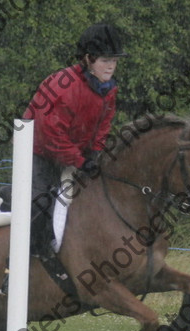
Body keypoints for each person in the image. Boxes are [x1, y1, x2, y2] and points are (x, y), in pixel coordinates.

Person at [21, 22, 128, 260]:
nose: (111, 66)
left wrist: (94, 155)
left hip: (73, 155)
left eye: (114, 60)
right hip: (39, 153)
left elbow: (103, 126)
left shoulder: (108, 88)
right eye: (105, 60)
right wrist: (80, 161)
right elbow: (52, 136)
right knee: (42, 205)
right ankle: (21, 263)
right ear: (88, 59)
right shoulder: (64, 87)